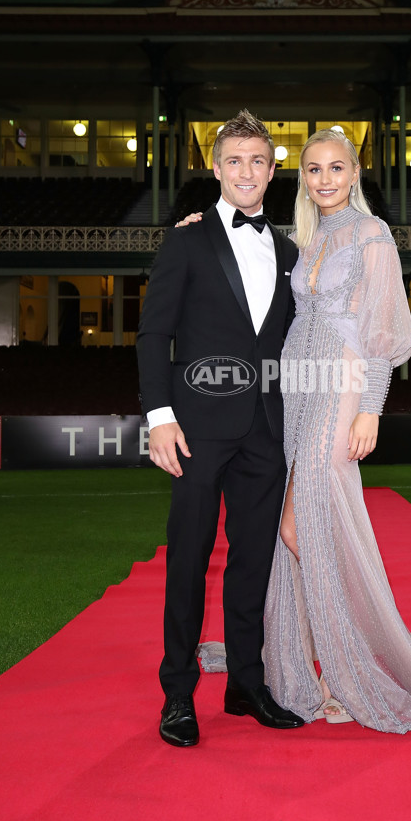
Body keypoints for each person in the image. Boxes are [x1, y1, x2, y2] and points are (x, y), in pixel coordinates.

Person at [178, 127, 411, 733]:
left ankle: (350, 663)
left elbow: (385, 329)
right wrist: (197, 225)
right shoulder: (303, 241)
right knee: (298, 522)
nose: (323, 180)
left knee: (298, 520)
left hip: (341, 387)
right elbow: (250, 269)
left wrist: (371, 407)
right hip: (293, 385)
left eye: (335, 169)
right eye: (313, 170)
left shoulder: (373, 235)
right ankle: (295, 664)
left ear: (355, 173)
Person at [136, 109, 303, 748]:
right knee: (188, 561)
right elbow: (154, 333)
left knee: (253, 562)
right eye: (234, 160)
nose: (246, 171)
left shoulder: (286, 249)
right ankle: (178, 693)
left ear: (270, 169)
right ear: (216, 168)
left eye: (258, 161)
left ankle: (245, 683)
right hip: (196, 429)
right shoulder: (185, 239)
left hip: (266, 430)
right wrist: (159, 417)